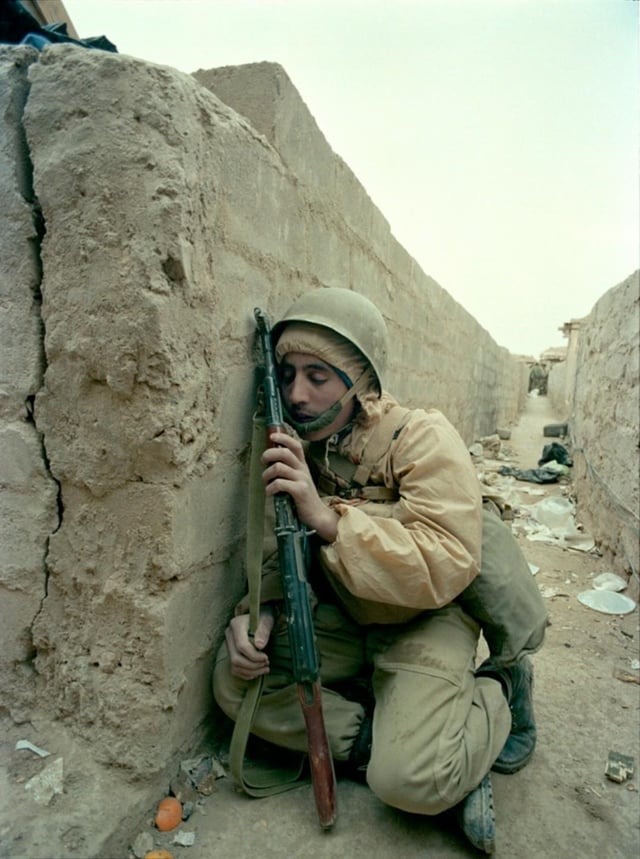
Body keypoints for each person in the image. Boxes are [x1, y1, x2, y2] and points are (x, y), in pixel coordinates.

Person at [214, 288, 541, 854]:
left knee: (411, 783)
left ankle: (498, 692)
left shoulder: (419, 437)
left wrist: (330, 518)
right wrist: (260, 613)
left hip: (424, 620)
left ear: (361, 381)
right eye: (289, 373)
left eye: (319, 375)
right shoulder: (294, 442)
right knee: (234, 680)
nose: (297, 393)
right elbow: (273, 543)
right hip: (345, 618)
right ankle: (382, 735)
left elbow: (446, 558)